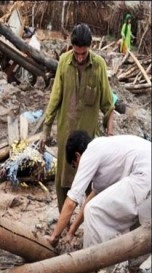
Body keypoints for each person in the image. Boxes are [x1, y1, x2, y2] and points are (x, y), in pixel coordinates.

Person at [39, 23, 115, 212]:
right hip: (66, 134)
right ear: (71, 47)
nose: (80, 57)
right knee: (63, 180)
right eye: (77, 53)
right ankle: (62, 219)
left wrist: (110, 133)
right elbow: (55, 98)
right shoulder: (64, 62)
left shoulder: (99, 66)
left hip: (89, 138)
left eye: (83, 53)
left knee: (91, 181)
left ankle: (87, 218)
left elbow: (108, 104)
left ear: (90, 46)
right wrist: (45, 130)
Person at [45, 130, 151, 249]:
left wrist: (54, 237)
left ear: (77, 155)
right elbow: (91, 197)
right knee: (140, 230)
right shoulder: (106, 150)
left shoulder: (91, 151)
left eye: (75, 165)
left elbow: (71, 201)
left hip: (144, 176)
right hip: (145, 176)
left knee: (93, 211)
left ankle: (91, 264)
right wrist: (71, 232)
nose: (77, 170)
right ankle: (133, 267)